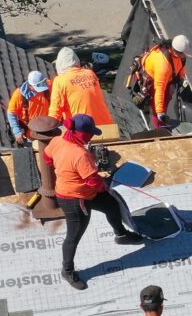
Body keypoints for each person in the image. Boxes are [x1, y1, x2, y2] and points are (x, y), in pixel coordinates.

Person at [42, 113, 143, 290]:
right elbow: (93, 182)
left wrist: (65, 169)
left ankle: (121, 235)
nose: (91, 137)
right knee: (74, 236)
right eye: (90, 134)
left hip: (81, 191)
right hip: (73, 200)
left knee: (112, 206)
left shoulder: (57, 141)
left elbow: (47, 158)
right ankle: (67, 270)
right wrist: (105, 185)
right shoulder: (80, 154)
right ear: (82, 134)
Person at [48, 47, 114, 131]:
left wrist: (48, 130)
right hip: (107, 127)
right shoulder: (90, 73)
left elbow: (54, 112)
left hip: (83, 131)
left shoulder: (60, 81)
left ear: (59, 65)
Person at [5, 69, 54, 144]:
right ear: (30, 86)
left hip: (48, 130)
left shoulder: (49, 86)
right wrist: (17, 132)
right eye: (38, 87)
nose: (41, 90)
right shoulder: (19, 95)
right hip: (30, 136)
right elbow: (11, 113)